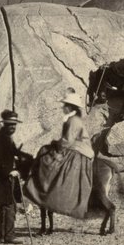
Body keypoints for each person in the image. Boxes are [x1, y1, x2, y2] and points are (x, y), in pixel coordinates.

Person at [23, 89, 95, 224]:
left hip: (79, 149)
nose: (63, 108)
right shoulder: (73, 119)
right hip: (75, 147)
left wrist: (56, 144)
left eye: (65, 105)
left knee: (48, 160)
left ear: (70, 107)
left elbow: (67, 141)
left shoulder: (73, 121)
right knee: (46, 151)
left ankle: (47, 189)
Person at [0, 109, 27, 243]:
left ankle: (1, 235)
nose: (13, 127)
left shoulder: (6, 138)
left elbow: (13, 152)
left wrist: (27, 157)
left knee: (6, 205)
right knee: (8, 205)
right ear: (4, 124)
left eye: (14, 125)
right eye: (10, 124)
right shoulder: (0, 138)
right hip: (3, 177)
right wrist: (10, 171)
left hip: (4, 177)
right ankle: (8, 236)